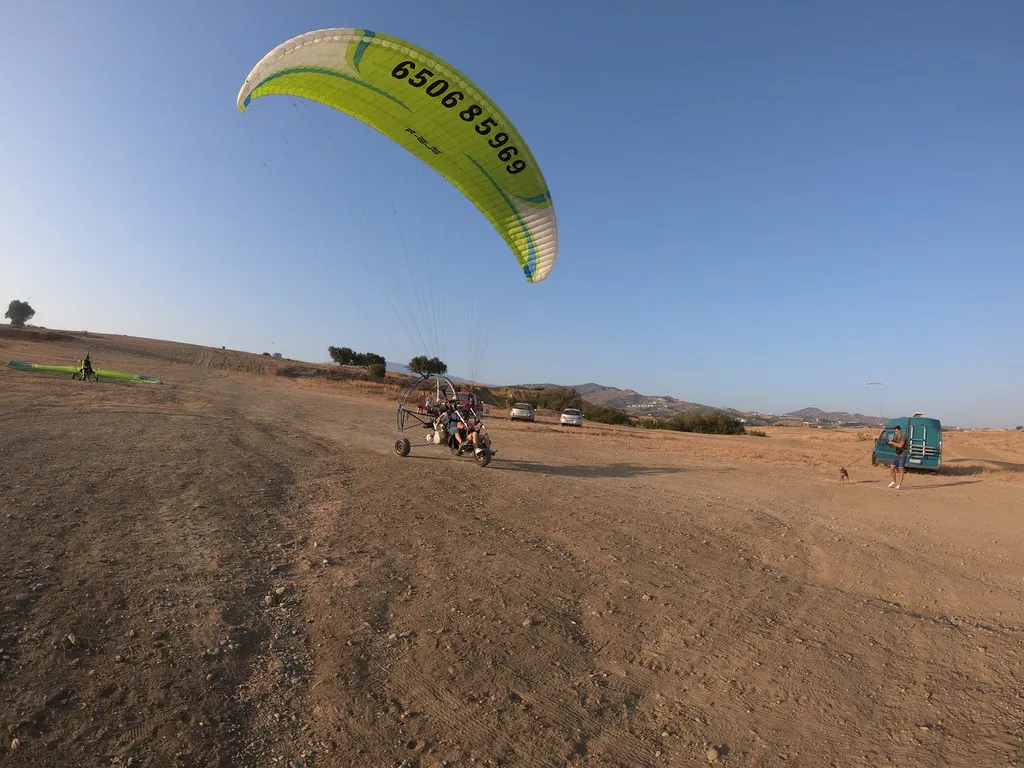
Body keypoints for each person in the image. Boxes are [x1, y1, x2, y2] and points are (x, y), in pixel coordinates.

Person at [887, 425, 907, 489]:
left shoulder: (903, 437)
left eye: (897, 431)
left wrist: (893, 442)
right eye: (895, 431)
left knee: (901, 469)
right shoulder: (896, 437)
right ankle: (893, 481)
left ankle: (899, 484)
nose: (896, 432)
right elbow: (894, 445)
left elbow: (900, 445)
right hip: (896, 454)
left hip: (902, 455)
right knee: (892, 468)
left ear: (900, 430)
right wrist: (890, 443)